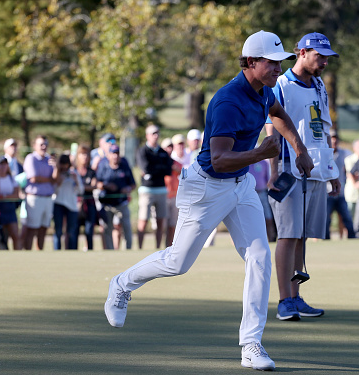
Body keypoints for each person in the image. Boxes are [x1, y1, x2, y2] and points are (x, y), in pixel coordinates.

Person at [104, 30, 312, 371]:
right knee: (177, 262)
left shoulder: (265, 91)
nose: (278, 68)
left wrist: (299, 149)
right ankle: (121, 284)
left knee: (259, 256)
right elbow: (218, 160)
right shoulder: (228, 101)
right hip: (205, 187)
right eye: (272, 63)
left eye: (281, 62)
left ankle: (251, 344)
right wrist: (260, 152)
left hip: (240, 185)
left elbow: (277, 114)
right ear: (250, 62)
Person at [265, 32, 339, 322]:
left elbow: (325, 128)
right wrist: (273, 170)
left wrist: (332, 169)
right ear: (302, 52)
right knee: (288, 234)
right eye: (319, 57)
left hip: (317, 169)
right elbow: (271, 127)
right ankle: (284, 300)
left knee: (302, 235)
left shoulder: (320, 84)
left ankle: (296, 297)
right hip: (288, 167)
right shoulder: (281, 84)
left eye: (326, 59)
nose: (323, 63)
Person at [135, 124, 173, 249]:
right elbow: (146, 168)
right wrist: (158, 168)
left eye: (157, 133)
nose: (156, 136)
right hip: (147, 190)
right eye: (153, 133)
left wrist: (154, 169)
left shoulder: (162, 152)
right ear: (147, 136)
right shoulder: (142, 151)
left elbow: (168, 170)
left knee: (161, 221)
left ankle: (158, 248)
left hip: (161, 189)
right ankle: (140, 248)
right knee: (143, 220)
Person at [97, 144, 136, 250]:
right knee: (107, 228)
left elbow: (133, 184)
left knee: (127, 226)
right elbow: (97, 183)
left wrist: (127, 189)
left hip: (121, 202)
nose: (115, 156)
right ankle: (109, 249)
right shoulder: (103, 165)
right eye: (113, 153)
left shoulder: (124, 165)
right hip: (107, 203)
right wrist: (107, 186)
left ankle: (128, 249)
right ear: (109, 155)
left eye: (117, 154)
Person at [23, 135, 57, 250]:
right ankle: (27, 253)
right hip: (35, 198)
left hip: (48, 197)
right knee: (32, 228)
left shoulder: (49, 159)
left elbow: (55, 179)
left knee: (44, 228)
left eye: (45, 144)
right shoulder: (31, 158)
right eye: (41, 144)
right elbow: (33, 178)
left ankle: (40, 252)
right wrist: (48, 179)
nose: (44, 147)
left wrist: (55, 168)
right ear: (35, 146)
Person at [326, 130, 355, 239]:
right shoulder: (325, 154)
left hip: (341, 193)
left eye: (336, 138)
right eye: (332, 138)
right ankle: (326, 238)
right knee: (326, 219)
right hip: (327, 193)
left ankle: (352, 237)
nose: (334, 140)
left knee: (346, 217)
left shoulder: (344, 153)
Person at [52, 154, 84, 250]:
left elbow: (80, 191)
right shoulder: (56, 174)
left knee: (71, 231)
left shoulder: (74, 173)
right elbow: (53, 191)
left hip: (72, 205)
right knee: (58, 230)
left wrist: (76, 181)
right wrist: (59, 182)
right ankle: (57, 250)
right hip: (58, 204)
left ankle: (71, 250)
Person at [0, 157, 20, 250]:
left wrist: (4, 196)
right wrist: (7, 195)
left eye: (5, 164)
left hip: (10, 208)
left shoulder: (11, 179)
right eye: (1, 164)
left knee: (15, 235)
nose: (3, 166)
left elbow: (16, 195)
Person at [249, 157, 277, 242]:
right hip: (249, 194)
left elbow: (267, 179)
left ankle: (271, 239)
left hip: (262, 193)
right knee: (249, 219)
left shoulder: (264, 163)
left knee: (268, 218)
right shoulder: (246, 162)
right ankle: (251, 240)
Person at [75, 145, 97, 251]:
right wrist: (85, 187)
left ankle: (89, 250)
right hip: (75, 204)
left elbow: (94, 186)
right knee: (74, 230)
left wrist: (80, 186)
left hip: (89, 203)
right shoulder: (74, 171)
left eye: (87, 155)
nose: (85, 157)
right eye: (82, 154)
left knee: (89, 230)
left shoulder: (91, 171)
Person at [160, 137, 182, 247]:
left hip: (174, 196)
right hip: (163, 196)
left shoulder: (176, 163)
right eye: (167, 147)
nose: (169, 149)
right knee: (161, 225)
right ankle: (159, 246)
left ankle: (169, 246)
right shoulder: (159, 163)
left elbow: (182, 173)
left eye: (171, 147)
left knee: (172, 225)